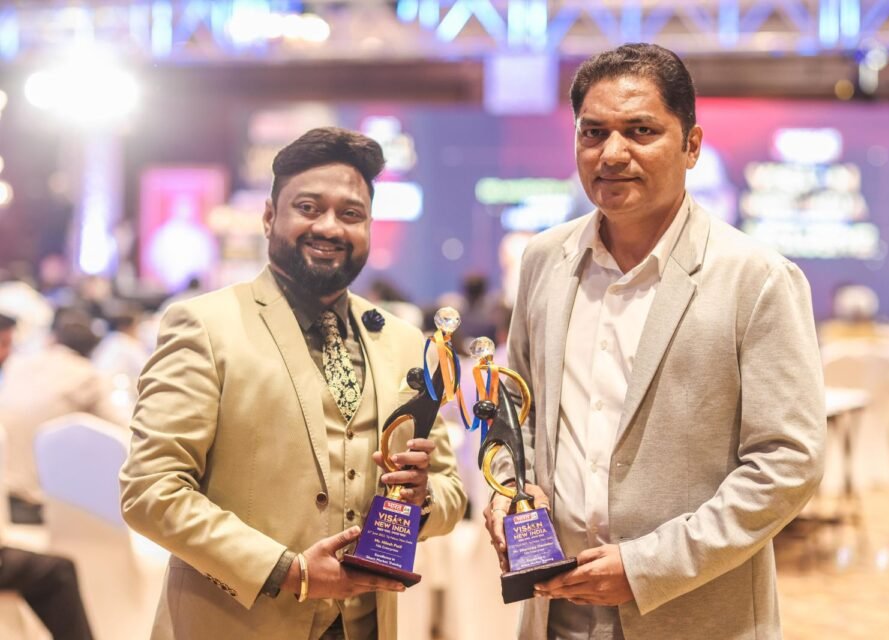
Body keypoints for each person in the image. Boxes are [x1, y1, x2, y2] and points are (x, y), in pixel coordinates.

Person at [484, 43, 825, 639]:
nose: (613, 153)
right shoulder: (544, 260)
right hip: (555, 611)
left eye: (640, 131)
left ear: (691, 145)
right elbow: (517, 414)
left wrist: (647, 568)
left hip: (692, 616)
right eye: (593, 133)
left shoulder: (757, 278)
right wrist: (507, 493)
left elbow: (787, 462)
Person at [119, 127, 467, 640]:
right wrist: (288, 570)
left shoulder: (402, 341)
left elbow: (451, 492)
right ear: (269, 217)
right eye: (308, 207)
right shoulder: (205, 326)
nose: (329, 227)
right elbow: (151, 491)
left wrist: (423, 500)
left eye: (351, 214)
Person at [0, 308, 126, 524]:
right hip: (36, 505)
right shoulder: (88, 376)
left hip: (4, 498)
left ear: (53, 338)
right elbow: (123, 431)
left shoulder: (16, 364)